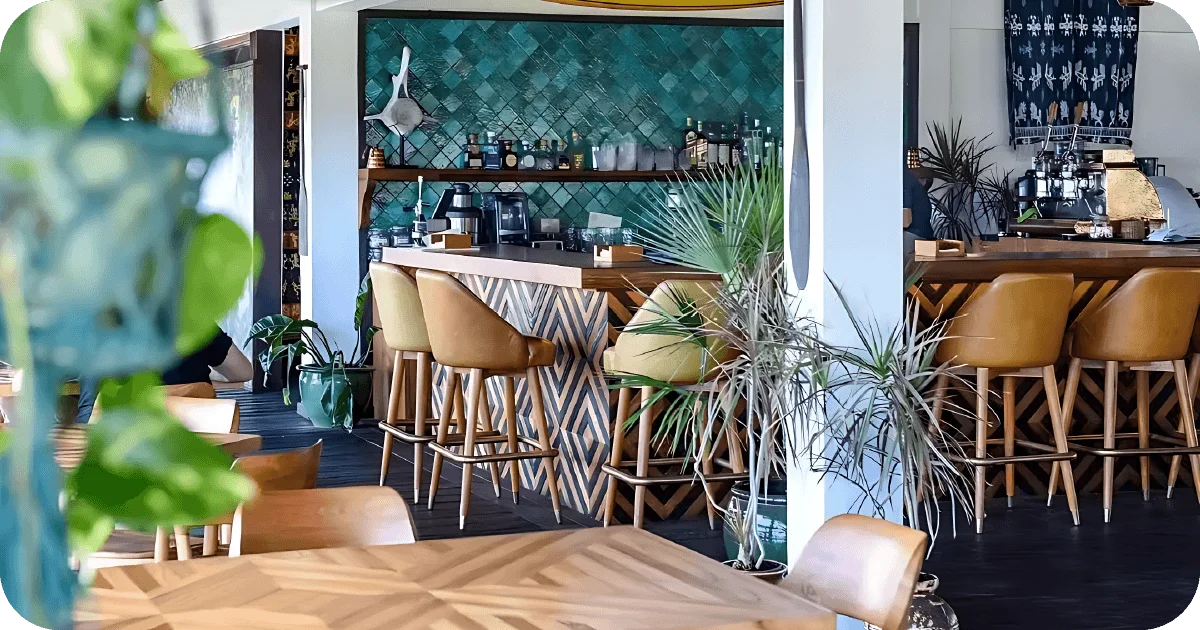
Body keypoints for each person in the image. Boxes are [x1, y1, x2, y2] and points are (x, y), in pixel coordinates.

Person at [75, 327, 254, 423]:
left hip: (117, 458)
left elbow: (88, 412)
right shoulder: (195, 322)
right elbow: (244, 372)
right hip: (192, 456)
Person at [903, 169, 936, 240]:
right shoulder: (924, 197)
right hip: (926, 234)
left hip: (913, 234)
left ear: (924, 181)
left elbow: (906, 222)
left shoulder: (910, 189)